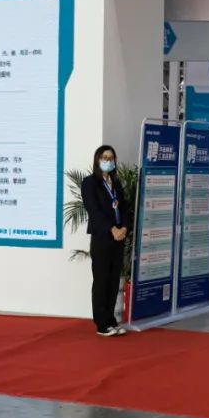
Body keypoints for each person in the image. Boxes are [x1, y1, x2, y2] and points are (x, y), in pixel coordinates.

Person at [81, 145, 131, 338]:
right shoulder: (90, 183)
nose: (108, 161)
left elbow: (123, 207)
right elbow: (93, 210)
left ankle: (111, 320)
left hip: (118, 238)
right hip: (102, 237)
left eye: (111, 158)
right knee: (101, 280)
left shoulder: (115, 182)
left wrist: (124, 227)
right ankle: (101, 323)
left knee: (113, 280)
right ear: (97, 160)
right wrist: (112, 229)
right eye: (104, 157)